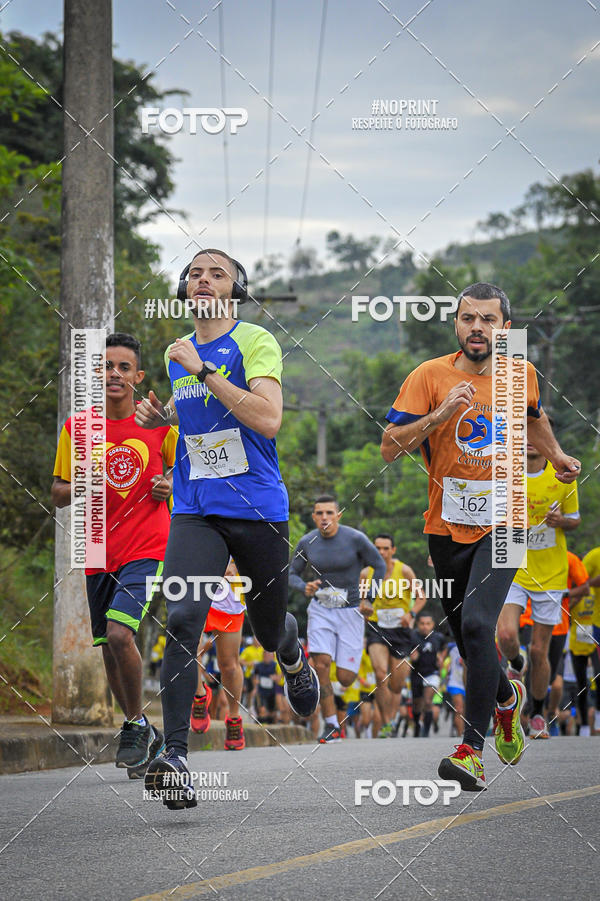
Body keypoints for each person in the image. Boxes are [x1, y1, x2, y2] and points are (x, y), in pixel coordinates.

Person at [136, 249, 319, 809]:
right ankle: (176, 758)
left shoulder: (254, 342)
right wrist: (163, 416)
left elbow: (267, 418)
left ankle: (290, 651)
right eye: (194, 273)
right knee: (184, 618)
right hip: (196, 508)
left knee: (264, 630)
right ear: (184, 289)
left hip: (258, 507)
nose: (203, 279)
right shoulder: (177, 354)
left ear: (236, 288)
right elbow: (195, 415)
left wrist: (203, 370)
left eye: (217, 272)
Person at [380, 282, 580, 790]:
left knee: (477, 626)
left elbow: (535, 418)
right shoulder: (430, 375)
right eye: (468, 318)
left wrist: (555, 456)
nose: (477, 328)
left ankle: (472, 750)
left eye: (488, 320)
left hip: (507, 520)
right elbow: (389, 447)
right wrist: (442, 414)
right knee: (469, 644)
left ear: (505, 329)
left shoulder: (520, 373)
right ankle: (507, 702)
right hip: (445, 527)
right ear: (456, 325)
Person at [52, 333, 174, 776]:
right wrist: (86, 477)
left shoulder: (161, 426)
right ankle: (138, 725)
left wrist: (170, 486)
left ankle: (138, 728)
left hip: (147, 546)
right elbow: (58, 493)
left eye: (123, 367)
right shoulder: (77, 429)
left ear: (138, 377)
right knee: (107, 645)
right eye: (105, 367)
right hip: (97, 545)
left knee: (122, 635)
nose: (114, 374)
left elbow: (192, 479)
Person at [497, 439, 580, 739]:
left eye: (537, 433)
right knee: (506, 635)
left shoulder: (563, 475)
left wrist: (561, 522)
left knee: (539, 650)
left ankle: (536, 712)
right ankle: (515, 664)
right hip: (512, 559)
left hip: (551, 572)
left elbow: (575, 519)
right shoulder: (505, 473)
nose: (531, 440)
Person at [289, 495, 385, 743]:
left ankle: (331, 698)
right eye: (319, 513)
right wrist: (304, 587)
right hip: (321, 609)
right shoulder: (307, 541)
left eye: (329, 513)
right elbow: (291, 573)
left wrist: (370, 599)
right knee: (321, 664)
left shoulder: (355, 539)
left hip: (351, 611)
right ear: (313, 516)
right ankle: (332, 725)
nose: (324, 518)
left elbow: (379, 565)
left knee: (345, 678)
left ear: (338, 515)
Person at [359, 533, 426, 737]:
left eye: (386, 548)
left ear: (393, 550)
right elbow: (362, 603)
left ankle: (391, 717)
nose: (381, 552)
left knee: (396, 685)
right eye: (377, 548)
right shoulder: (365, 573)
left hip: (401, 629)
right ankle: (387, 724)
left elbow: (421, 597)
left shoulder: (404, 570)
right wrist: (365, 610)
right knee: (380, 673)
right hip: (377, 627)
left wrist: (411, 613)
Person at [190, 559, 246, 750]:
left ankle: (233, 717)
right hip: (195, 585)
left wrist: (234, 566)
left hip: (228, 593)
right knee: (191, 645)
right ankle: (199, 695)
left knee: (228, 665)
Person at [409, 612, 447, 737]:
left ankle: (426, 731)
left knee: (427, 701)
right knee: (416, 704)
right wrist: (412, 657)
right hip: (416, 673)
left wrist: (441, 657)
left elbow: (444, 647)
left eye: (428, 624)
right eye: (422, 624)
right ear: (418, 624)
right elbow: (405, 651)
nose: (425, 626)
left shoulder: (438, 637)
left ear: (432, 625)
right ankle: (416, 726)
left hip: (432, 673)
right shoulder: (413, 636)